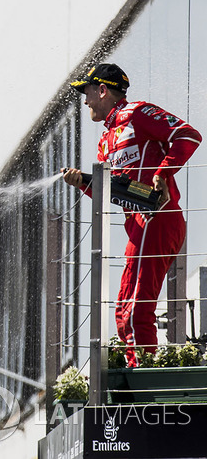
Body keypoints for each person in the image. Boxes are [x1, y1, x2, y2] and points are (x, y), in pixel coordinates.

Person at [62, 63, 201, 366]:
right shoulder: (105, 141)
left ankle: (144, 382)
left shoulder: (138, 113)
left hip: (159, 217)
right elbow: (112, 192)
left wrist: (164, 174)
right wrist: (83, 182)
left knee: (136, 308)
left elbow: (188, 135)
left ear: (102, 90)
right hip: (138, 226)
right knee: (124, 309)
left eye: (86, 92)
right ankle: (136, 370)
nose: (84, 100)